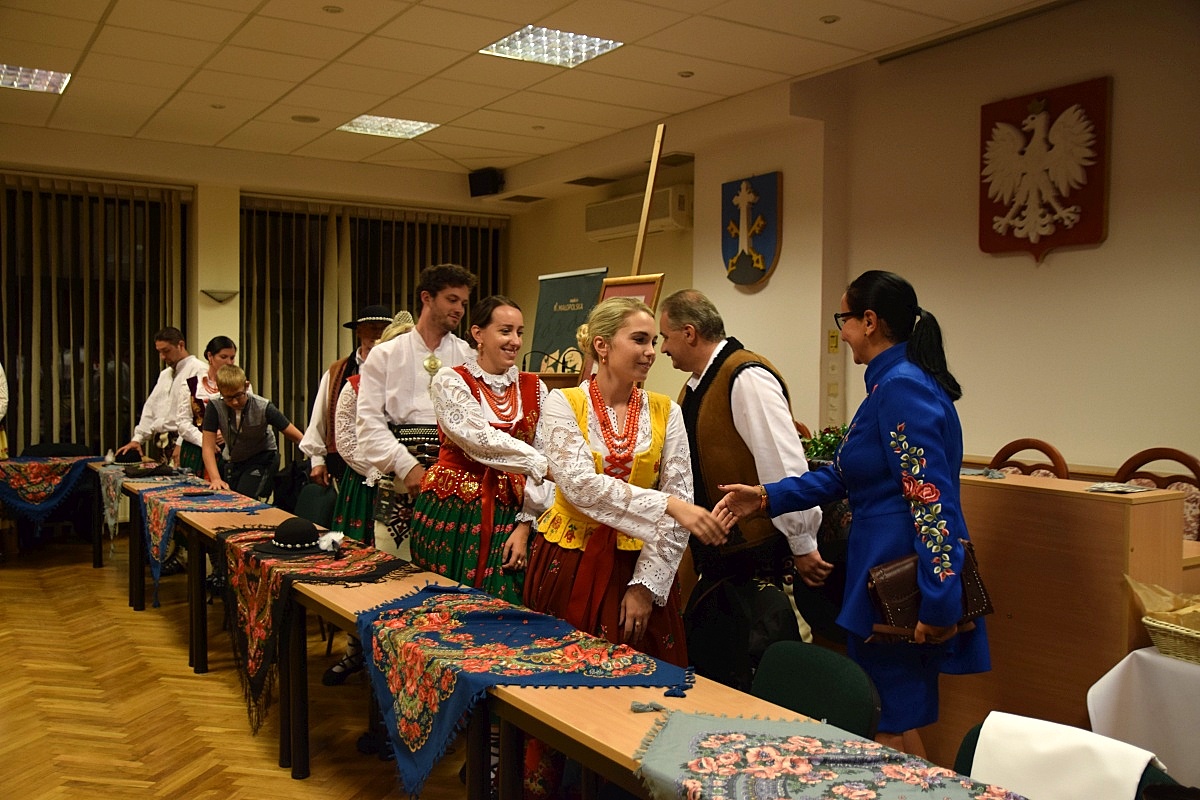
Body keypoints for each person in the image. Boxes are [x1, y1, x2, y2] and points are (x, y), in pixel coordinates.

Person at [716, 270, 991, 758]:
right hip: (884, 576)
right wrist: (764, 498)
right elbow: (843, 476)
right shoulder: (889, 385)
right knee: (894, 721)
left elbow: (931, 503)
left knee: (885, 726)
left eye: (842, 319)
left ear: (869, 321)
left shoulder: (902, 388)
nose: (840, 333)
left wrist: (939, 602)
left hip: (901, 583)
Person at [526, 296, 728, 667]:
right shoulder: (563, 403)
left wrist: (645, 587)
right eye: (639, 339)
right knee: (563, 672)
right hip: (573, 557)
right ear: (602, 346)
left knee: (644, 674)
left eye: (653, 341)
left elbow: (680, 496)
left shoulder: (667, 410)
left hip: (642, 558)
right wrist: (667, 504)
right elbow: (580, 486)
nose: (651, 352)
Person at [658, 289, 826, 689]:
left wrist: (802, 543)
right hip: (723, 563)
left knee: (771, 676)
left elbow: (784, 465)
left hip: (760, 560)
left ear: (689, 332)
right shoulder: (694, 385)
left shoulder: (746, 376)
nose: (662, 348)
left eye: (665, 337)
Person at [410, 295, 552, 604]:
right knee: (443, 605)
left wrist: (525, 524)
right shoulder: (451, 380)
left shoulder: (535, 387)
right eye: (505, 331)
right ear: (478, 334)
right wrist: (540, 464)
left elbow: (546, 455)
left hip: (512, 511)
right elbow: (480, 440)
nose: (515, 341)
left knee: (505, 605)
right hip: (454, 508)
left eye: (520, 332)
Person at [322, 312, 416, 687]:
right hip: (366, 487)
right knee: (362, 575)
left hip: (415, 492)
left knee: (409, 575)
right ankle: (355, 650)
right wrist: (388, 472)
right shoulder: (357, 386)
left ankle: (405, 655)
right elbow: (347, 442)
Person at [356, 264, 476, 554]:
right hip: (399, 479)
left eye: (463, 303)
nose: (459, 309)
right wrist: (406, 465)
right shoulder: (385, 355)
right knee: (395, 568)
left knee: (449, 567)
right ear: (427, 298)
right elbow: (368, 424)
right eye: (451, 300)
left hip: (455, 479)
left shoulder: (468, 357)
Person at [300, 304, 393, 487]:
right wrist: (317, 460)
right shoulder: (338, 371)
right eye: (372, 327)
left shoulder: (400, 368)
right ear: (359, 331)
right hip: (347, 463)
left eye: (384, 328)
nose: (378, 333)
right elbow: (320, 417)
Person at [201, 364, 303, 496]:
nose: (235, 402)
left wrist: (317, 458)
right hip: (233, 459)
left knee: (243, 496)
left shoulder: (263, 406)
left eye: (239, 395)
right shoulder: (215, 405)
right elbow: (208, 446)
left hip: (262, 457)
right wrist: (215, 479)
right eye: (228, 398)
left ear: (246, 386)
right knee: (223, 493)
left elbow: (296, 436)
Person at [115, 327, 206, 463]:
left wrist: (181, 443)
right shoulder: (165, 374)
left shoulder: (199, 370)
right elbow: (151, 408)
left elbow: (197, 414)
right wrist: (137, 439)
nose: (163, 357)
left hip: (185, 442)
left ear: (181, 345)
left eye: (166, 351)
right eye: (160, 352)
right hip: (162, 443)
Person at [176, 336, 243, 478]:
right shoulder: (192, 385)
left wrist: (227, 434)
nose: (229, 362)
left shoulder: (241, 385)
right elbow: (182, 422)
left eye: (232, 358)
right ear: (210, 356)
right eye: (223, 357)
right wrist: (205, 440)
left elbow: (246, 417)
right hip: (196, 449)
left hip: (229, 450)